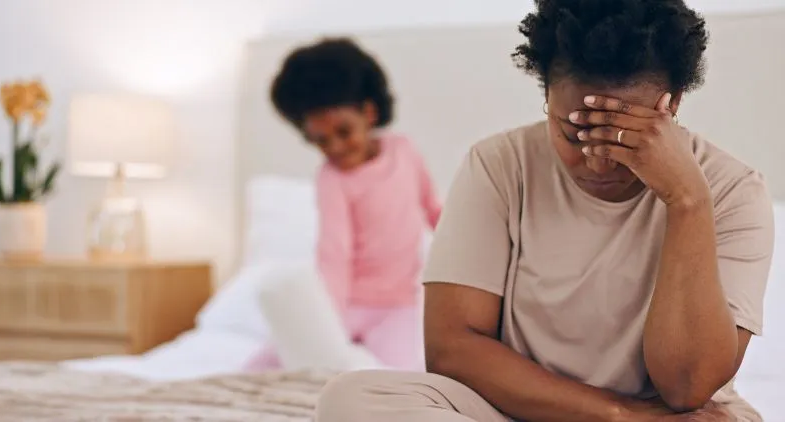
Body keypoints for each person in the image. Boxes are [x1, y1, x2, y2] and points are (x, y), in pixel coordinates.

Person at [315, 1, 774, 421]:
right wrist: (622, 416)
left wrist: (687, 202)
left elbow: (687, 388)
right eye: (575, 135)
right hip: (523, 410)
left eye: (624, 140)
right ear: (547, 96)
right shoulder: (500, 165)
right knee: (351, 398)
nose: (597, 163)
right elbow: (451, 349)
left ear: (672, 104)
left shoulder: (731, 191)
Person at [246, 38, 441, 372]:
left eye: (344, 131)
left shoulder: (405, 151)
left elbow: (433, 210)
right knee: (263, 367)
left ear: (369, 112)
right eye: (321, 140)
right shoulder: (332, 178)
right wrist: (326, 319)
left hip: (399, 306)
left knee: (400, 378)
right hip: (347, 303)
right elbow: (334, 253)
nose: (335, 147)